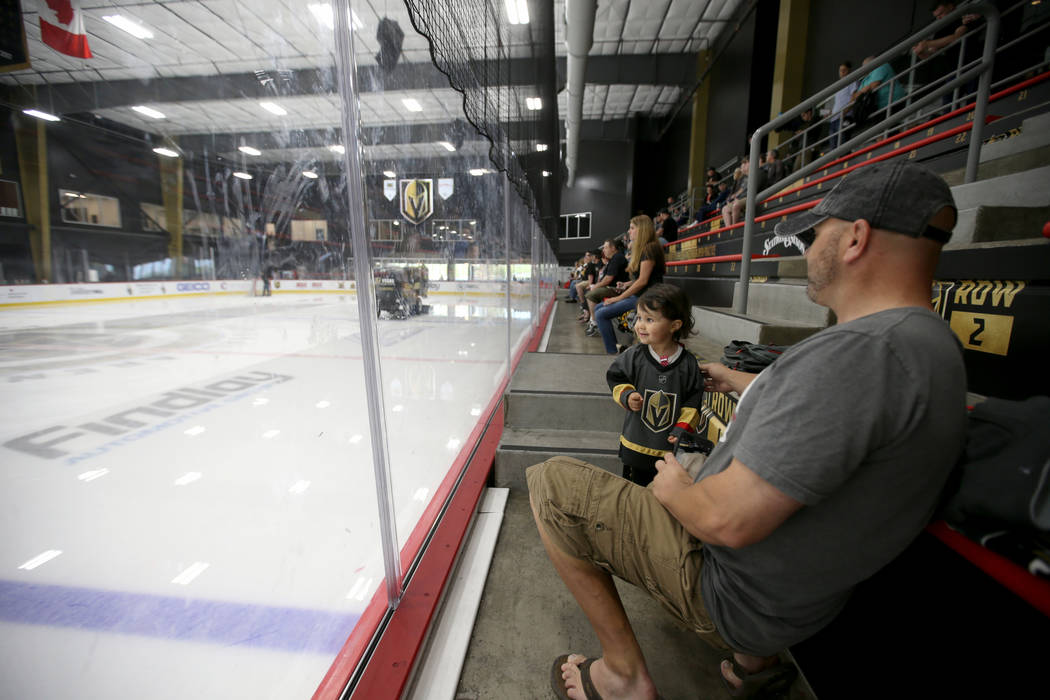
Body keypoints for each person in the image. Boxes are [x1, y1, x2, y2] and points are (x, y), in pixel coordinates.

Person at [529, 161, 967, 700]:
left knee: (552, 484)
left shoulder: (858, 354)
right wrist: (746, 381)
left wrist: (677, 490)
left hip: (735, 595)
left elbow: (724, 521)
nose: (807, 249)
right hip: (802, 599)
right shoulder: (931, 345)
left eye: (815, 234)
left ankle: (622, 677)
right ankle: (756, 670)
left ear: (855, 238)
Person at [606, 283, 703, 486]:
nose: (640, 325)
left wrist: (681, 428)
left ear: (674, 325)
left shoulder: (688, 364)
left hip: (668, 451)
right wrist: (627, 395)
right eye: (639, 318)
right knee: (635, 497)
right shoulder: (634, 355)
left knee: (661, 499)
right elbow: (616, 377)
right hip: (636, 446)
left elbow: (692, 402)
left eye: (649, 320)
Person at [589, 216, 666, 354]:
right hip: (641, 294)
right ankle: (615, 348)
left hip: (647, 297)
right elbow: (643, 278)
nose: (629, 232)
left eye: (632, 228)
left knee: (600, 314)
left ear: (641, 230)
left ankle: (612, 352)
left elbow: (643, 281)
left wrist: (617, 298)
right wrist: (626, 284)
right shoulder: (645, 248)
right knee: (599, 307)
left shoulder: (650, 249)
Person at [584, 239, 629, 335]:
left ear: (613, 248)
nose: (603, 250)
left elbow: (608, 279)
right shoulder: (613, 258)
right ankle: (591, 318)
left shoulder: (617, 258)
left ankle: (594, 323)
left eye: (605, 247)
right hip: (613, 287)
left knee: (590, 295)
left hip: (617, 289)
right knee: (592, 297)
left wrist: (595, 286)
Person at [828, 60, 858, 147]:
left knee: (843, 142)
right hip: (834, 119)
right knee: (833, 145)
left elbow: (854, 98)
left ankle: (845, 160)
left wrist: (844, 112)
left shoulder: (852, 81)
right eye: (840, 70)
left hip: (845, 117)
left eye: (844, 70)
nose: (842, 72)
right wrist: (831, 113)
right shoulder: (838, 85)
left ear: (849, 70)